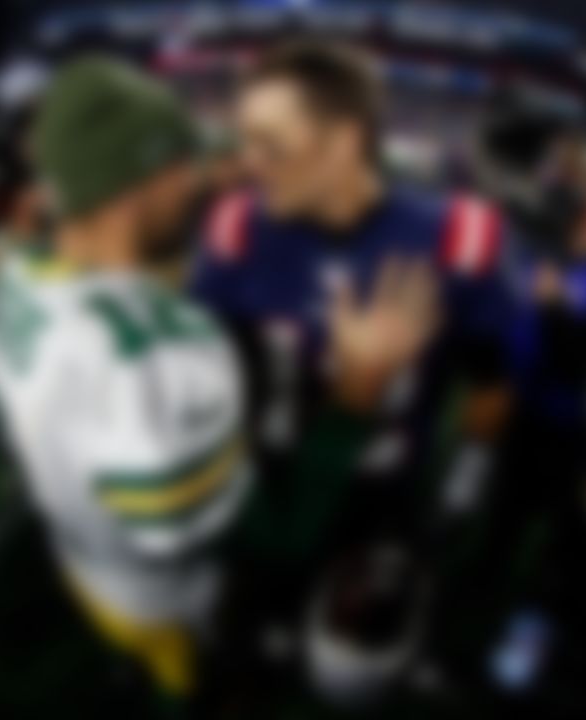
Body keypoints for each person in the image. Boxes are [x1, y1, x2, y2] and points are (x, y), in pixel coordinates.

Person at [190, 40, 515, 684]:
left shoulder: (459, 239)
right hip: (272, 484)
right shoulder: (233, 230)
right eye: (244, 140)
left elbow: (490, 380)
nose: (246, 164)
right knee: (242, 642)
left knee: (353, 661)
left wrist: (462, 486)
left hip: (384, 495)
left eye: (270, 144)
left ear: (344, 142)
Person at [0, 57, 251, 704]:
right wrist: (352, 404)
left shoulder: (14, 279)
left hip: (82, 566)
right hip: (166, 605)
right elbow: (193, 528)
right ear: (138, 186)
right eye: (183, 162)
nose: (195, 180)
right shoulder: (167, 353)